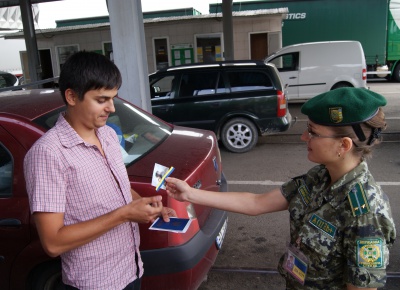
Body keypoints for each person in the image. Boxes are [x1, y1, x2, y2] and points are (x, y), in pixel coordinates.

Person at [165, 87, 396, 290]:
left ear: (343, 145)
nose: (304, 137)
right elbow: (257, 203)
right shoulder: (320, 176)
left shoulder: (366, 213)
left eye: (313, 132)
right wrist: (190, 193)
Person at [24, 51, 175, 290]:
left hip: (132, 268)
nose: (112, 108)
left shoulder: (108, 135)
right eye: (102, 100)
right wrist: (125, 214)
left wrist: (146, 206)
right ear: (72, 96)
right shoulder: (48, 154)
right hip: (96, 283)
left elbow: (121, 190)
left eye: (114, 98)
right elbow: (52, 242)